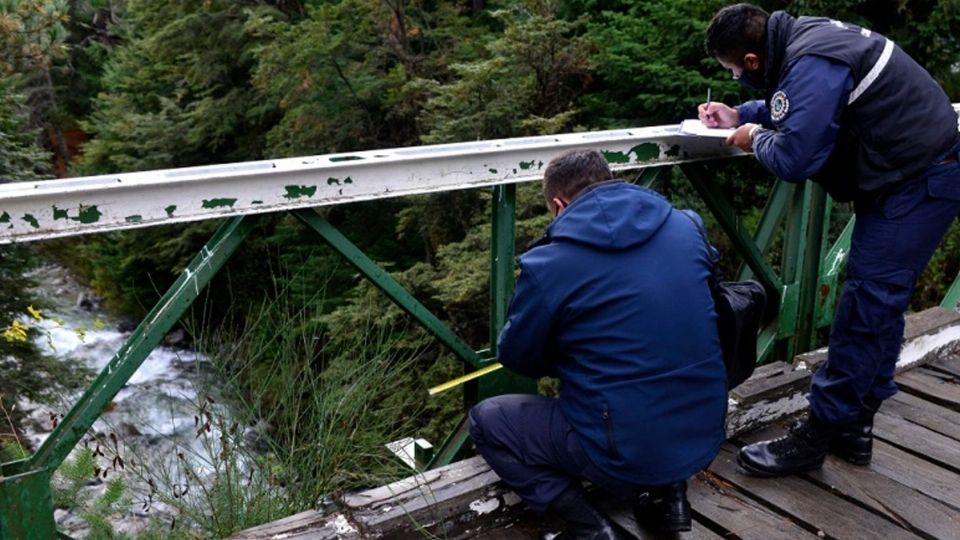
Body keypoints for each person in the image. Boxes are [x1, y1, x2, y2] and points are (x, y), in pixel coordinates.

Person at [700, 3, 960, 477]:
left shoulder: (814, 59)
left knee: (867, 306)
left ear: (752, 61)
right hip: (904, 174)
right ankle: (855, 426)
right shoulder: (803, 40)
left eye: (734, 72)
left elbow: (796, 157)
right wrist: (740, 111)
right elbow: (804, 103)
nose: (736, 77)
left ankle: (816, 435)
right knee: (879, 306)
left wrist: (753, 134)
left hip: (920, 182)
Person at [468, 149, 728, 538]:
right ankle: (670, 498)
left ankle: (587, 527)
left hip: (620, 452)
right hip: (706, 428)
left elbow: (518, 356)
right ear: (610, 180)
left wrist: (576, 347)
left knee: (487, 420)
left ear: (558, 205)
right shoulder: (686, 226)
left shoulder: (550, 264)